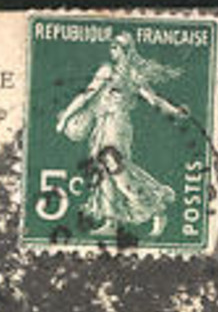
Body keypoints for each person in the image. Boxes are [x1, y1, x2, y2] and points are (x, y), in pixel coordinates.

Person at [54, 31, 190, 239]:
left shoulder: (133, 74)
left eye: (116, 47)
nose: (113, 51)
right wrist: (66, 117)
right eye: (112, 48)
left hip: (117, 125)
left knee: (116, 168)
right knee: (105, 171)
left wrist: (175, 111)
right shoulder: (107, 70)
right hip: (103, 123)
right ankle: (111, 221)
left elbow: (153, 99)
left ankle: (156, 208)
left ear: (126, 50)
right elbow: (87, 95)